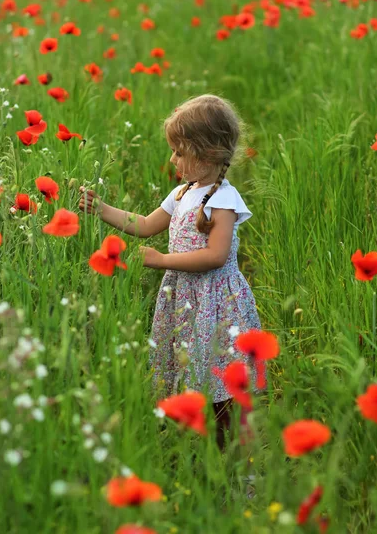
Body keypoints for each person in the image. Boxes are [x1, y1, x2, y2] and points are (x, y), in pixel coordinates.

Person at [79, 94, 262, 450]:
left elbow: (215, 256)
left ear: (207, 153)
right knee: (187, 366)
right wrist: (102, 209)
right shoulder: (182, 193)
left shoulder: (223, 200)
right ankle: (193, 440)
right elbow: (145, 224)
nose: (173, 159)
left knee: (218, 371)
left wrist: (162, 260)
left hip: (215, 301)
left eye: (180, 152)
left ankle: (230, 447)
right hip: (184, 299)